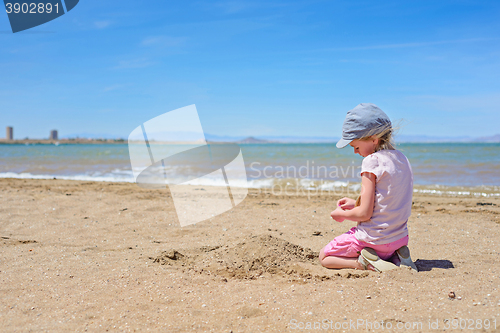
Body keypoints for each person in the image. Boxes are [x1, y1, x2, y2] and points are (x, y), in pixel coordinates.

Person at [319, 103, 418, 272]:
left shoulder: (371, 161)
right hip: (399, 238)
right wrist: (354, 203)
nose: (356, 152)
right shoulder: (402, 158)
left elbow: (365, 213)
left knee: (325, 257)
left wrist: (342, 214)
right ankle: (397, 256)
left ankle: (363, 263)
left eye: (356, 146)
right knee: (388, 245)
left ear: (373, 138)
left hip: (373, 240)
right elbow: (388, 200)